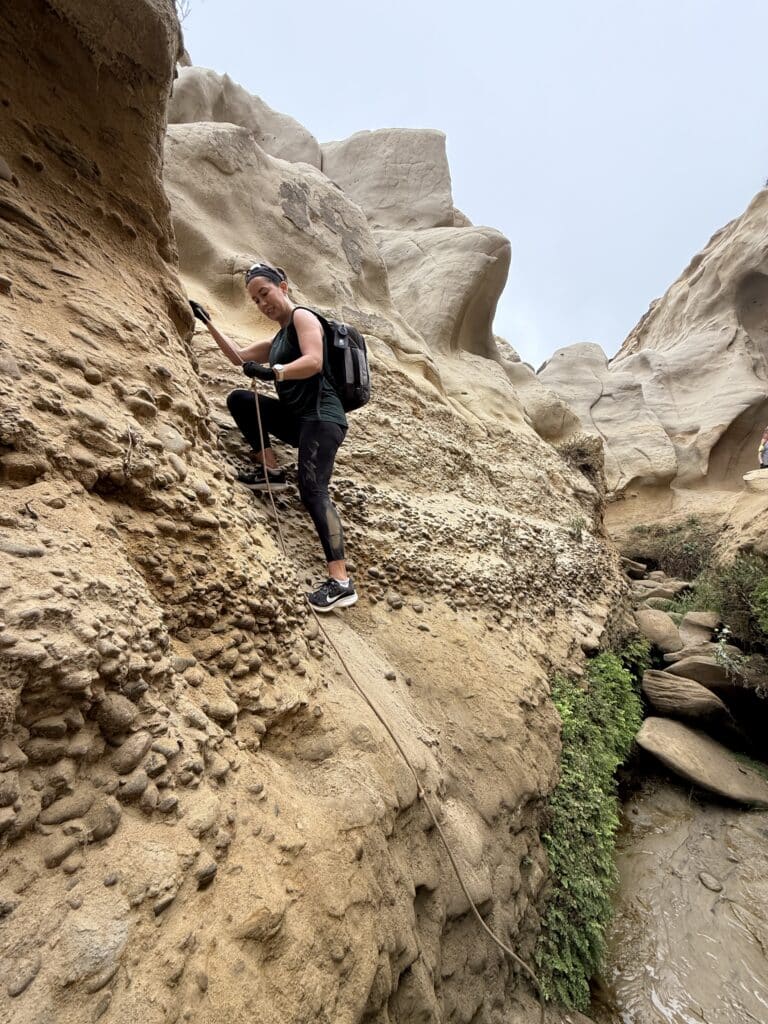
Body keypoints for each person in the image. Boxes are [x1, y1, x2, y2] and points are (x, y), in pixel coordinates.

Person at [189, 264, 357, 613]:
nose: (261, 303)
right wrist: (208, 323)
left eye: (264, 293)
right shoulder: (278, 338)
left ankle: (341, 583)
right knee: (240, 399)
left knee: (313, 490)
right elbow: (238, 357)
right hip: (298, 420)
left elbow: (313, 361)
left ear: (282, 286)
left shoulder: (303, 318)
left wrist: (274, 371)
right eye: (255, 300)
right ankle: (271, 472)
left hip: (322, 419)